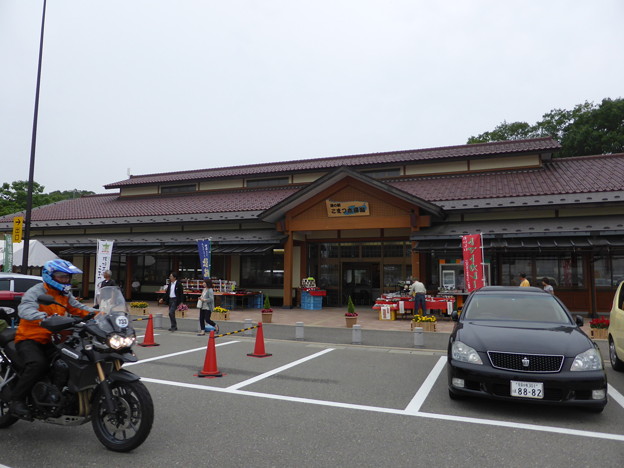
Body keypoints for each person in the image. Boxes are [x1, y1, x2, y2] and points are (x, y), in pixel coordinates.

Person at [10, 259, 96, 418]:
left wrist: (102, 315)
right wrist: (44, 317)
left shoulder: (64, 294)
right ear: (50, 276)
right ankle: (16, 401)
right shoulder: (36, 291)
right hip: (29, 338)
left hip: (53, 339)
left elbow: (79, 308)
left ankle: (56, 395)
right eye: (62, 277)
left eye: (67, 277)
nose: (65, 280)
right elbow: (25, 309)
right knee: (38, 364)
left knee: (67, 362)